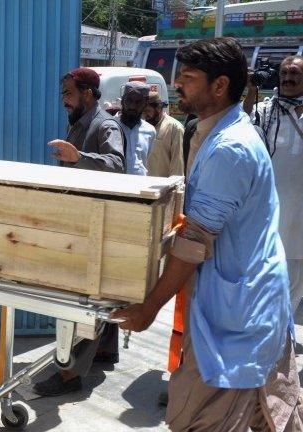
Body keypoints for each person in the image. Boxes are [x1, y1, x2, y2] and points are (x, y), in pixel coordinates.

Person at [113, 38, 302, 432]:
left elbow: (196, 241)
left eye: (188, 77)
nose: (177, 84)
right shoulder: (213, 131)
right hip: (243, 303)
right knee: (269, 415)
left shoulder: (230, 148)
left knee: (199, 418)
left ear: (219, 86)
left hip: (240, 314)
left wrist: (149, 307)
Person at [33, 67, 125, 397]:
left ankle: (69, 375)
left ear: (87, 93)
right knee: (100, 293)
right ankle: (104, 350)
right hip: (80, 221)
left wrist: (79, 156)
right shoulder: (80, 123)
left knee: (83, 301)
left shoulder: (105, 124)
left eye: (69, 94)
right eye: (62, 95)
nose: (64, 102)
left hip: (96, 225)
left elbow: (117, 164)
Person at [244, 55, 303, 312]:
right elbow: (242, 122)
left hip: (300, 220)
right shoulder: (266, 111)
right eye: (284, 73)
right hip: (270, 215)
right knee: (263, 276)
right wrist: (250, 91)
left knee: (295, 280)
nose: (288, 78)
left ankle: (284, 335)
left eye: (295, 74)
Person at [117, 82, 157, 176]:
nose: (132, 106)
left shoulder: (150, 131)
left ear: (146, 103)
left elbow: (145, 160)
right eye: (129, 100)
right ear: (122, 101)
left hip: (140, 186)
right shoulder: (110, 126)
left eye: (138, 102)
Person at [144, 91, 185, 178]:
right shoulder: (142, 126)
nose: (145, 115)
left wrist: (174, 188)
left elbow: (177, 164)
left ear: (158, 108)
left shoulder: (175, 128)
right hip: (142, 186)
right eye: (143, 111)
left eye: (147, 111)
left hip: (162, 188)